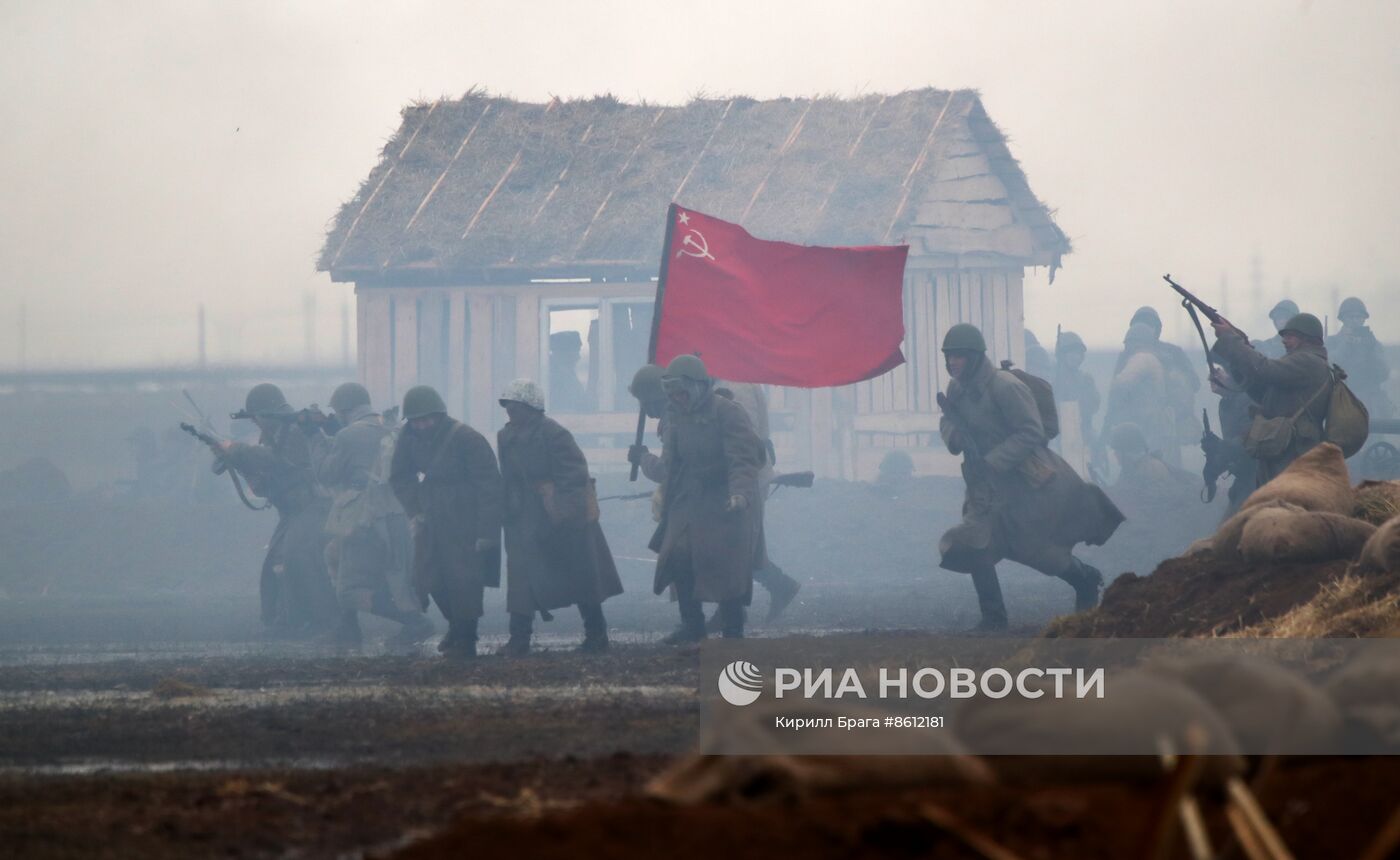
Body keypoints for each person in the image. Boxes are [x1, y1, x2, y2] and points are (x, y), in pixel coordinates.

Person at [937, 324, 1124, 630]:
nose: (952, 362)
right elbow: (947, 419)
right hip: (984, 488)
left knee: (1038, 552)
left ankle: (1085, 579)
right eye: (949, 357)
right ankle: (994, 620)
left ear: (973, 357)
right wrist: (953, 436)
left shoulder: (1005, 386)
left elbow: (1031, 432)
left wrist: (993, 461)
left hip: (1025, 483)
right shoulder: (956, 389)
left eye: (958, 356)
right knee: (974, 542)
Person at [628, 364, 801, 623]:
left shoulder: (717, 407)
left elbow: (672, 468)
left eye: (647, 403)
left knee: (726, 551)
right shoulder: (690, 411)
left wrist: (643, 459)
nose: (647, 412)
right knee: (724, 551)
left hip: (733, 486)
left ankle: (737, 612)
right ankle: (739, 606)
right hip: (723, 488)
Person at [496, 379, 623, 655]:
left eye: (516, 406)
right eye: (508, 406)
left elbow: (574, 474)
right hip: (524, 516)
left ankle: (596, 635)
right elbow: (508, 477)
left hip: (561, 514)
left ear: (531, 407)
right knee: (521, 576)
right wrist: (507, 509)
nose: (510, 412)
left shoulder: (554, 434)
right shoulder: (505, 437)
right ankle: (518, 639)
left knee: (581, 575)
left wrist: (563, 513)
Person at [309, 382, 433, 653]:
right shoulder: (392, 428)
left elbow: (326, 474)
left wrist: (315, 438)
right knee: (341, 559)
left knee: (349, 589)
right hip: (397, 515)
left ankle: (413, 621)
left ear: (343, 410)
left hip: (365, 518)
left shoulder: (347, 436)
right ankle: (348, 627)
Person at [390, 385, 504, 659]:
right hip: (431, 517)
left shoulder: (467, 439)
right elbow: (400, 476)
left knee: (465, 580)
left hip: (467, 518)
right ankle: (456, 626)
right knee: (429, 578)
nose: (422, 425)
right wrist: (415, 510)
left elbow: (490, 486)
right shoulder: (409, 437)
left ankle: (465, 637)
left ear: (440, 415)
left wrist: (486, 531)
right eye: (416, 420)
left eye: (427, 418)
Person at [217, 383, 337, 637]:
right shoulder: (273, 435)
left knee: (299, 559)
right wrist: (237, 460)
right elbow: (265, 483)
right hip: (293, 512)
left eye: (257, 418)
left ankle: (324, 622)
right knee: (278, 563)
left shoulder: (294, 430)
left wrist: (238, 450)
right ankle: (284, 620)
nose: (257, 424)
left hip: (314, 508)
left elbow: (278, 463)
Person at [1212, 312, 1332, 486]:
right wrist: (1236, 361)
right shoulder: (1304, 361)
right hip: (1283, 449)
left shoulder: (1308, 361)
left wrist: (1231, 339)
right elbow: (1264, 395)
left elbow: (1263, 369)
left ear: (1306, 339)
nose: (1284, 340)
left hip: (1295, 452)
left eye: (1290, 336)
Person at [1102, 323, 1174, 470]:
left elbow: (1122, 382)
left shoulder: (1142, 358)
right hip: (1153, 417)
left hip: (1144, 418)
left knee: (1140, 460)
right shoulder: (1153, 358)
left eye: (1129, 343)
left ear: (1135, 342)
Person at [1203, 366, 1257, 517]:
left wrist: (1220, 446)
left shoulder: (1247, 399)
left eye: (1221, 371)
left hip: (1258, 476)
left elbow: (1248, 441)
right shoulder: (1225, 403)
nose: (1214, 374)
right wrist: (1214, 467)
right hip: (1244, 476)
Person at [1329, 297, 1392, 419]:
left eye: (1359, 317)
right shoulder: (1332, 342)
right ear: (1343, 319)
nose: (1355, 321)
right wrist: (1345, 345)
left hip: (1370, 405)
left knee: (1375, 436)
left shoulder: (1374, 344)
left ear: (1364, 320)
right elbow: (1330, 366)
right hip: (1341, 403)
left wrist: (1371, 349)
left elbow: (1384, 374)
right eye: (1350, 317)